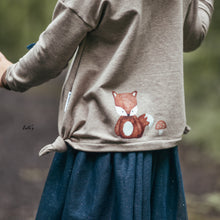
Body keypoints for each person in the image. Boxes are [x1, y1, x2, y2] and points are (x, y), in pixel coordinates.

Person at [0, 0, 214, 219]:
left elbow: (53, 52)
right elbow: (192, 35)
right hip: (157, 152)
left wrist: (9, 75)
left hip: (98, 152)